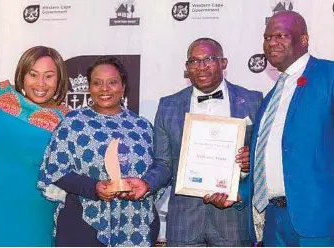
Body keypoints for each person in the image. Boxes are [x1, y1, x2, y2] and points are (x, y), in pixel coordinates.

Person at [126, 37, 263, 246]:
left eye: (208, 59)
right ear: (186, 67)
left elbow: (263, 157)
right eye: (194, 61)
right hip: (184, 220)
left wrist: (250, 161)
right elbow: (163, 164)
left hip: (233, 219)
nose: (201, 67)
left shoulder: (252, 100)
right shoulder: (168, 106)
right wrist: (146, 183)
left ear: (223, 63)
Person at [38, 55, 166, 247]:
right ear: (90, 88)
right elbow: (56, 170)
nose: (104, 89)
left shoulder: (143, 127)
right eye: (97, 83)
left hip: (136, 224)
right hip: (82, 226)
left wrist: (145, 184)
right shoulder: (73, 123)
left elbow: (163, 166)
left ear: (123, 87)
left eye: (112, 82)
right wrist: (94, 187)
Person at [243, 11, 334, 246]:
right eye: (267, 37)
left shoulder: (329, 76)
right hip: (273, 220)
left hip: (317, 220)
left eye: (281, 35)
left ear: (303, 39)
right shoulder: (272, 96)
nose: (271, 42)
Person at [0, 45, 69, 246]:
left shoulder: (69, 121)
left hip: (35, 214)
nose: (40, 83)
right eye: (33, 74)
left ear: (59, 80)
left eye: (49, 76)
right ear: (22, 74)